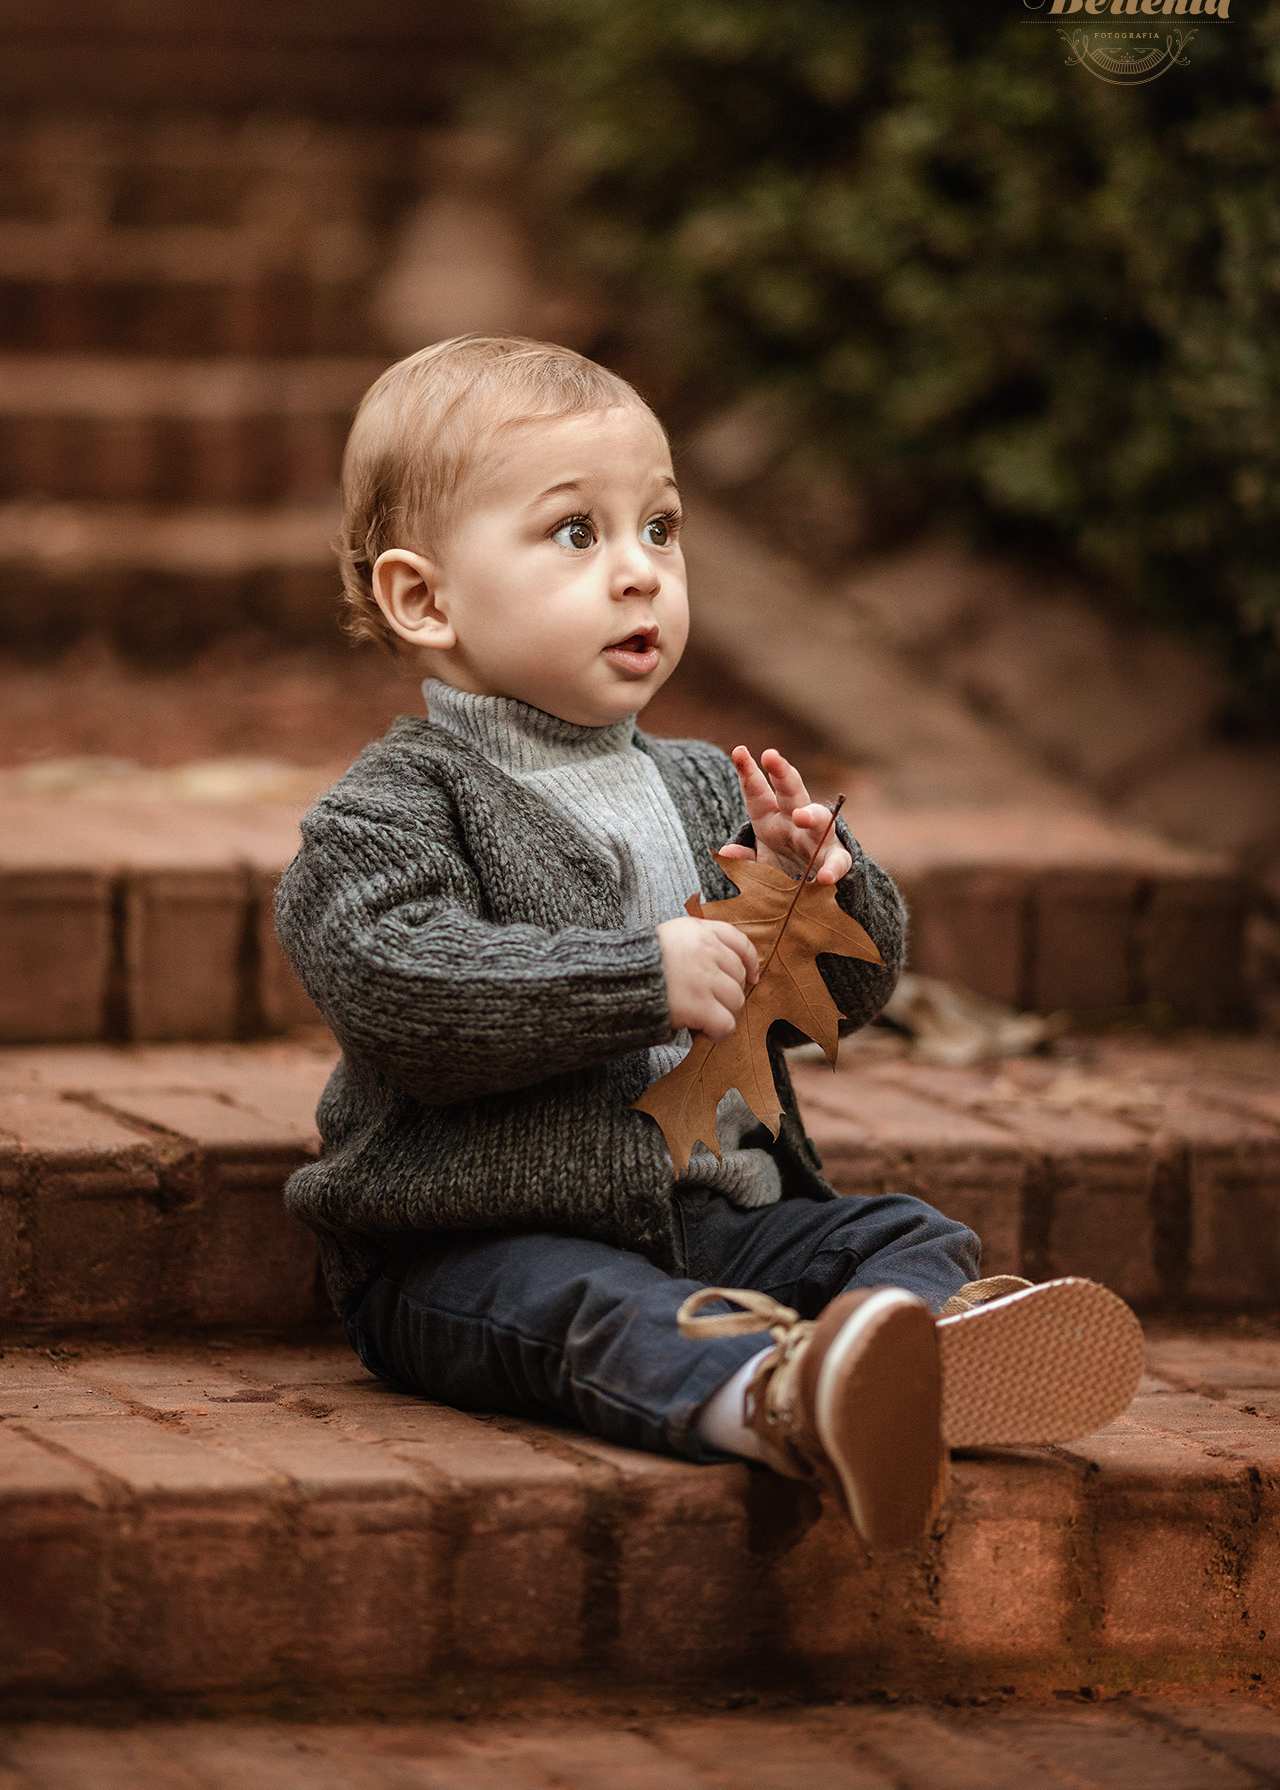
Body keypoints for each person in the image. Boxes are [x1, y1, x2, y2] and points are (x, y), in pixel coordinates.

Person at [275, 334, 1143, 1551]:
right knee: (587, 1304)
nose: (639, 573)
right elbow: (398, 990)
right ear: (425, 599)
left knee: (899, 1232)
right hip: (464, 1251)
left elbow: (844, 995)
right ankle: (780, 1398)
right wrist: (636, 979)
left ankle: (897, 1361)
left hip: (709, 1224)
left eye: (661, 529)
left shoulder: (698, 787)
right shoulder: (393, 810)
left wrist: (821, 887)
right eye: (576, 534)